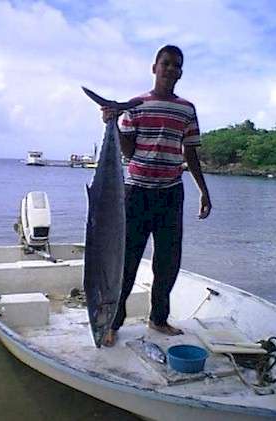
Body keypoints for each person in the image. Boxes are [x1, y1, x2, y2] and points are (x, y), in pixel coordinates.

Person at [101, 45, 212, 347]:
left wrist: (203, 190)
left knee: (168, 261)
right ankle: (112, 321)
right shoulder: (135, 105)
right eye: (166, 64)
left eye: (177, 65)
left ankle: (158, 319)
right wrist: (112, 120)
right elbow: (128, 150)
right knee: (126, 262)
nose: (171, 69)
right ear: (155, 67)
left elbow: (189, 152)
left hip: (170, 194)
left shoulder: (187, 109)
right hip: (136, 192)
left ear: (181, 71)